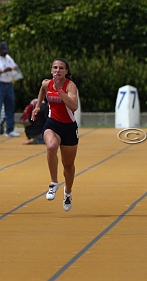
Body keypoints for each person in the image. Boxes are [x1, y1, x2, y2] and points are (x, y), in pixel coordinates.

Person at [32, 58, 79, 211]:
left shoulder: (70, 86)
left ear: (66, 71)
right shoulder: (47, 83)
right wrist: (38, 107)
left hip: (69, 128)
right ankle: (53, 183)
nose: (57, 70)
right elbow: (42, 89)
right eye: (55, 68)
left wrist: (60, 90)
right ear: (51, 70)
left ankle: (68, 192)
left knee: (69, 166)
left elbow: (74, 106)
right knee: (51, 147)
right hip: (52, 124)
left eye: (61, 68)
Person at [0, 43, 20, 137]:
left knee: (10, 106)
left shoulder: (8, 58)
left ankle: (10, 129)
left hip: (9, 84)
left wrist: (14, 69)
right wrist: (4, 70)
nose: (5, 53)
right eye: (3, 51)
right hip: (1, 83)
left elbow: (15, 67)